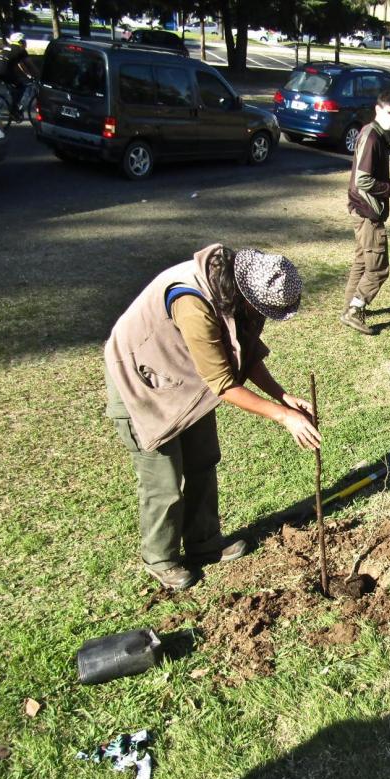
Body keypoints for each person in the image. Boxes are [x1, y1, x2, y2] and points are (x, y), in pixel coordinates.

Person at [104, 245, 321, 591]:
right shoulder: (194, 304)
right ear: (248, 296)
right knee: (165, 480)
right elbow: (223, 384)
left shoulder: (238, 294)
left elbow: (245, 355)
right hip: (143, 378)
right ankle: (161, 558)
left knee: (203, 459)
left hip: (187, 377)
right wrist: (283, 417)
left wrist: (282, 395)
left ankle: (204, 542)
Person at [341, 91, 390, 335]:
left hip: (362, 209)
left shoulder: (376, 134)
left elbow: (373, 176)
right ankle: (355, 309)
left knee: (362, 261)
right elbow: (364, 180)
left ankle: (349, 306)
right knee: (379, 268)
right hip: (368, 212)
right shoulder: (372, 137)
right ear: (378, 110)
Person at [0, 32, 38, 112]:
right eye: (24, 41)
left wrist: (27, 75)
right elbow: (30, 65)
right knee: (21, 86)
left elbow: (21, 64)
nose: (25, 43)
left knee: (14, 85)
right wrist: (38, 75)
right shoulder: (21, 50)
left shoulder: (9, 47)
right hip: (4, 70)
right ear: (20, 42)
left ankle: (13, 105)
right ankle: (14, 109)